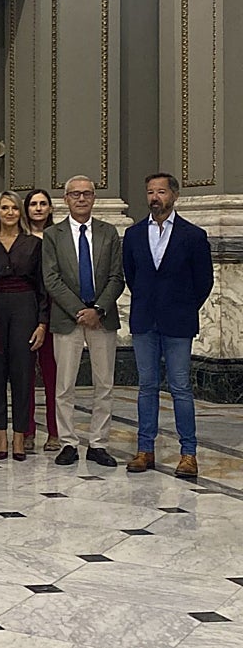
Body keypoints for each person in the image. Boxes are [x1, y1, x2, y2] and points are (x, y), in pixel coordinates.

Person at [123, 173, 214, 479]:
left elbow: (204, 281)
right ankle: (144, 449)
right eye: (150, 192)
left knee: (180, 387)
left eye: (161, 192)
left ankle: (188, 453)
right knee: (146, 387)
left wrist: (181, 306)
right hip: (145, 320)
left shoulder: (193, 235)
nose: (155, 197)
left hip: (179, 322)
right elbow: (132, 276)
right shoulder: (134, 234)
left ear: (174, 195)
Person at [41, 175, 124, 468]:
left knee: (104, 383)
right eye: (75, 194)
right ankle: (68, 442)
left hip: (102, 319)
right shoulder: (53, 235)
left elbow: (117, 277)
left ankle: (99, 444)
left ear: (93, 198)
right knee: (65, 385)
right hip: (67, 319)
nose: (80, 199)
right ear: (66, 199)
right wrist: (80, 310)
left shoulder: (108, 232)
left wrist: (98, 309)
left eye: (86, 194)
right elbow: (51, 278)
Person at [0, 192, 48, 462]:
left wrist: (42, 323)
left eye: (14, 208)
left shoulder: (33, 244)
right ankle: (0, 433)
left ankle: (20, 434)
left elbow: (42, 286)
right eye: (4, 208)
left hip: (25, 309)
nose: (9, 213)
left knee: (22, 373)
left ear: (21, 212)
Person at [25, 188, 60, 452]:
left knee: (53, 376)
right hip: (25, 312)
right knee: (25, 376)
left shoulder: (58, 237)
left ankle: (54, 431)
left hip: (55, 312)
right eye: (33, 204)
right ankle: (26, 430)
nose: (38, 208)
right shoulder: (20, 238)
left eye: (43, 203)